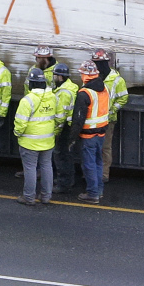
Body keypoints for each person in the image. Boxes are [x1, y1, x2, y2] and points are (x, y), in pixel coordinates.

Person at [13, 69, 60, 205]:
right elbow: (57, 117)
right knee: (47, 167)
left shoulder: (27, 100)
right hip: (48, 140)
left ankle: (28, 197)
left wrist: (17, 134)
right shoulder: (53, 97)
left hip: (30, 141)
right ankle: (46, 196)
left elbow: (20, 123)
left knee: (30, 168)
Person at [72, 59, 112, 204]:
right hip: (101, 132)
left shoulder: (85, 93)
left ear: (85, 75)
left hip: (88, 135)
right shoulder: (105, 88)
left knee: (88, 164)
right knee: (98, 162)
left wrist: (72, 138)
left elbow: (78, 119)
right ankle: (99, 190)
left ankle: (92, 193)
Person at [93, 49, 129, 183]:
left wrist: (112, 110)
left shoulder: (117, 80)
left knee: (105, 147)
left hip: (108, 120)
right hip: (94, 119)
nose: (96, 66)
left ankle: (103, 174)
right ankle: (93, 172)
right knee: (94, 147)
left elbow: (123, 98)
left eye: (98, 63)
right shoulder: (95, 77)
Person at [50, 61, 79, 193]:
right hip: (70, 125)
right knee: (67, 155)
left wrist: (56, 131)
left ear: (60, 77)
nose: (53, 77)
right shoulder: (72, 87)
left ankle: (63, 183)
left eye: (55, 75)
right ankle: (68, 180)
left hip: (65, 128)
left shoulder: (63, 93)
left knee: (60, 155)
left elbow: (60, 115)